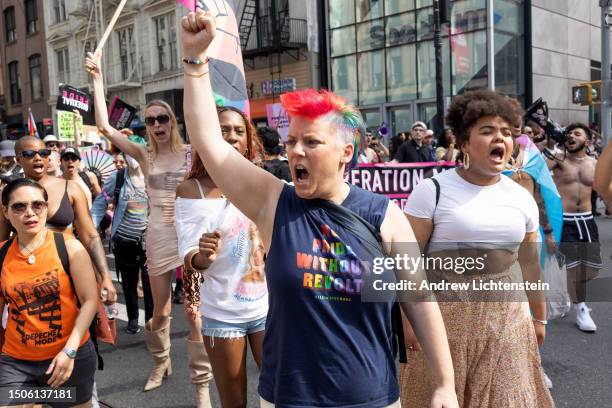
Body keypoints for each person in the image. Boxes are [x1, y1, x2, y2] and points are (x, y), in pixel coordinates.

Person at [180, 11, 458, 408]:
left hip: (370, 398)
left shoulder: (383, 216)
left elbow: (419, 299)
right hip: (288, 397)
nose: (295, 150)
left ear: (346, 153)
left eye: (310, 141)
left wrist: (444, 382)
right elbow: (209, 141)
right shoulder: (274, 201)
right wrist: (195, 62)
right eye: (291, 140)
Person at [401, 90, 554, 407]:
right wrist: (406, 320)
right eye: (487, 131)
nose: (500, 138)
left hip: (507, 318)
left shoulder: (521, 196)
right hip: (443, 319)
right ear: (464, 142)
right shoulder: (432, 191)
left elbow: (530, 264)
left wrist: (539, 318)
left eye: (507, 133)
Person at [86, 51, 191, 391]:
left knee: (195, 312)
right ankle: (161, 363)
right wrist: (97, 78)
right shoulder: (144, 154)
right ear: (146, 126)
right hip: (158, 235)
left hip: (190, 235)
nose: (158, 125)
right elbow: (104, 127)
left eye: (163, 118)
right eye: (151, 120)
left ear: (173, 120)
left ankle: (202, 383)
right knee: (160, 313)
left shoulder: (193, 152)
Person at [176, 109, 266, 406]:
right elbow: (188, 254)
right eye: (223, 129)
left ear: (248, 140)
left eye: (239, 131)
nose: (231, 136)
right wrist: (203, 256)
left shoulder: (261, 181)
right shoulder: (191, 190)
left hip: (268, 309)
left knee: (282, 394)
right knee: (234, 401)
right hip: (223, 314)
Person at [0, 178, 98, 407]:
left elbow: (90, 301)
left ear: (46, 207)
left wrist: (70, 351)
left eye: (37, 205)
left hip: (68, 359)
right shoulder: (2, 254)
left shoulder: (69, 247)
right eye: (19, 206)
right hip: (17, 363)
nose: (30, 213)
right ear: (5, 212)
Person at [0, 137, 117, 304]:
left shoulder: (70, 188)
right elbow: (2, 242)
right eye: (30, 154)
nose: (38, 158)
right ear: (18, 159)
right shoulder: (8, 195)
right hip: (25, 273)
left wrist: (105, 276)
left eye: (43, 153)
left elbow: (90, 236)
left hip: (68, 268)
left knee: (84, 320)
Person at [91, 136, 153, 335]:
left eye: (138, 151)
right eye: (130, 151)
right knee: (128, 282)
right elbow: (101, 202)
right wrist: (92, 226)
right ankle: (134, 319)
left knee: (150, 283)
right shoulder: (117, 178)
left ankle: (152, 323)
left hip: (150, 242)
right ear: (125, 155)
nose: (134, 156)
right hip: (123, 241)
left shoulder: (154, 177)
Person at [547, 123, 601, 332]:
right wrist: (550, 147)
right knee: (574, 268)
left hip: (587, 220)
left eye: (577, 133)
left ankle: (575, 293)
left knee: (591, 270)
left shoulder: (594, 163)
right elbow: (538, 172)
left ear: (587, 141)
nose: (571, 135)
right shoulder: (558, 159)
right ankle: (581, 308)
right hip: (565, 221)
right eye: (569, 133)